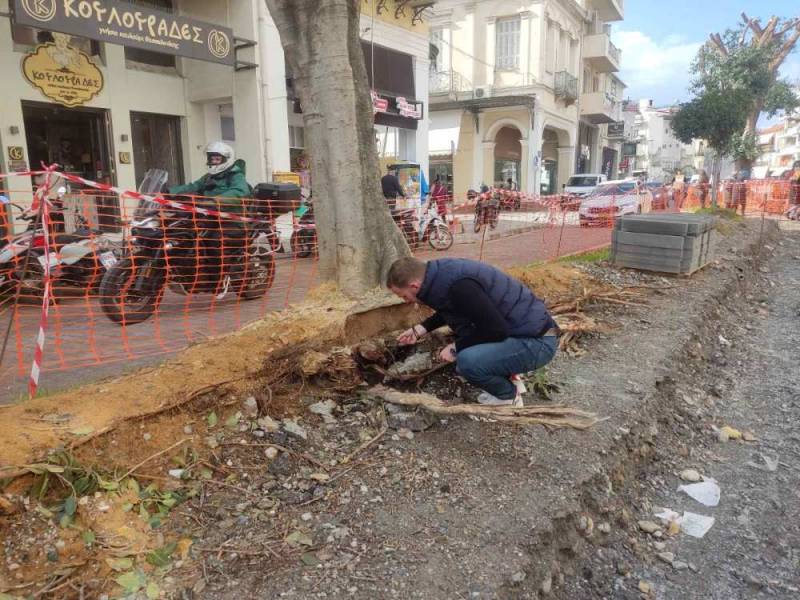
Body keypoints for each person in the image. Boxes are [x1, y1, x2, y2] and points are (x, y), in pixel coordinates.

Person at [387, 257, 559, 407]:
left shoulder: (459, 286)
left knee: (468, 361)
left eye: (404, 296)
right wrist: (420, 329)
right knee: (470, 339)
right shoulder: (439, 274)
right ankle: (510, 378)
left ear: (414, 285)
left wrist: (456, 348)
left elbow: (496, 330)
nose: (406, 301)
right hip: (528, 329)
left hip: (539, 341)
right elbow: (453, 308)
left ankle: (507, 398)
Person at [168, 142, 251, 295]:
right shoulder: (208, 177)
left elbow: (240, 192)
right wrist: (169, 192)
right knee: (182, 232)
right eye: (211, 158)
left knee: (214, 241)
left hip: (231, 221)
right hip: (209, 217)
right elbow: (192, 187)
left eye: (217, 159)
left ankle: (217, 280)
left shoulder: (236, 176)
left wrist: (215, 200)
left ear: (226, 159)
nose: (213, 161)